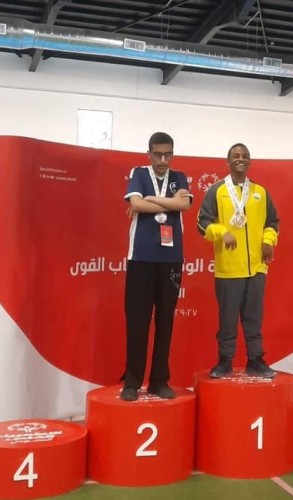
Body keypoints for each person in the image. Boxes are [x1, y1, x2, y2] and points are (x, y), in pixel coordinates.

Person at [197, 143, 279, 378]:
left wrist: (268, 241)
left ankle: (255, 360)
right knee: (228, 320)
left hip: (256, 268)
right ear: (228, 161)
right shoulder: (216, 191)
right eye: (236, 156)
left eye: (244, 156)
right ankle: (225, 361)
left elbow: (272, 222)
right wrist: (222, 232)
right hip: (228, 269)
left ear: (250, 161)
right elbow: (202, 222)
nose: (240, 159)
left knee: (254, 318)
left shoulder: (260, 192)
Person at [120, 132, 192, 401]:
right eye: (158, 154)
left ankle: (159, 381)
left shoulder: (179, 177)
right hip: (140, 257)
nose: (163, 160)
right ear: (149, 154)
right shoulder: (138, 173)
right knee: (137, 322)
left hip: (171, 260)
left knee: (165, 322)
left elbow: (184, 204)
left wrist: (149, 200)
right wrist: (163, 203)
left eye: (168, 154)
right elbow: (135, 203)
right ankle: (132, 381)